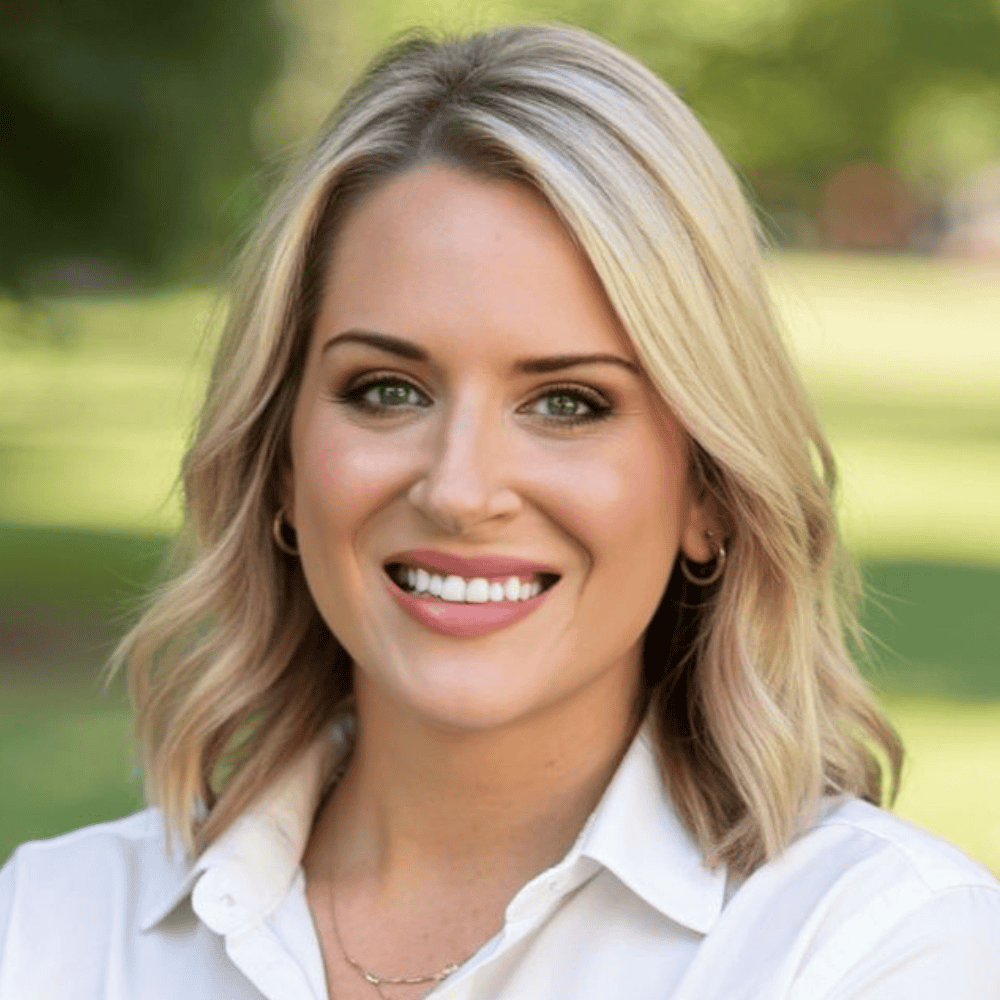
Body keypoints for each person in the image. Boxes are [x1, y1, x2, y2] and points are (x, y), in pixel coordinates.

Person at [1, 23, 998, 1000]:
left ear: (709, 490)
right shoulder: (51, 926)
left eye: (568, 402)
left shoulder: (871, 946)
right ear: (280, 465)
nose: (459, 489)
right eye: (387, 388)